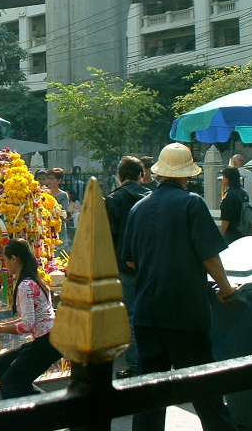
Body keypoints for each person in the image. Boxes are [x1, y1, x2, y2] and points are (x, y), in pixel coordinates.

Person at [121, 142, 237, 431]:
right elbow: (209, 255)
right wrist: (225, 287)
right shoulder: (191, 203)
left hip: (147, 312)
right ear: (188, 174)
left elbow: (132, 263)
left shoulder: (139, 208)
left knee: (149, 396)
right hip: (185, 312)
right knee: (206, 391)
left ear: (159, 173)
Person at [0, 238, 62, 399]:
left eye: (5, 260)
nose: (5, 264)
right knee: (3, 363)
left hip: (47, 342)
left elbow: (27, 324)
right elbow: (28, 318)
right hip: (49, 339)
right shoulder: (33, 281)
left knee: (12, 383)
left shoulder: (25, 286)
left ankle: (36, 412)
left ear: (14, 259)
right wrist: (1, 324)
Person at [105, 156, 150, 379]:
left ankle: (134, 365)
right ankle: (150, 361)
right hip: (151, 265)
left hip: (124, 267)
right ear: (141, 175)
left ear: (120, 176)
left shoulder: (114, 199)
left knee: (131, 316)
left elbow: (106, 237)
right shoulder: (151, 198)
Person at [219, 166, 250, 245]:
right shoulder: (243, 193)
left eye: (224, 177)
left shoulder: (228, 196)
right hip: (244, 230)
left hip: (231, 234)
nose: (222, 179)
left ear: (228, 179)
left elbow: (226, 219)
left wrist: (221, 235)